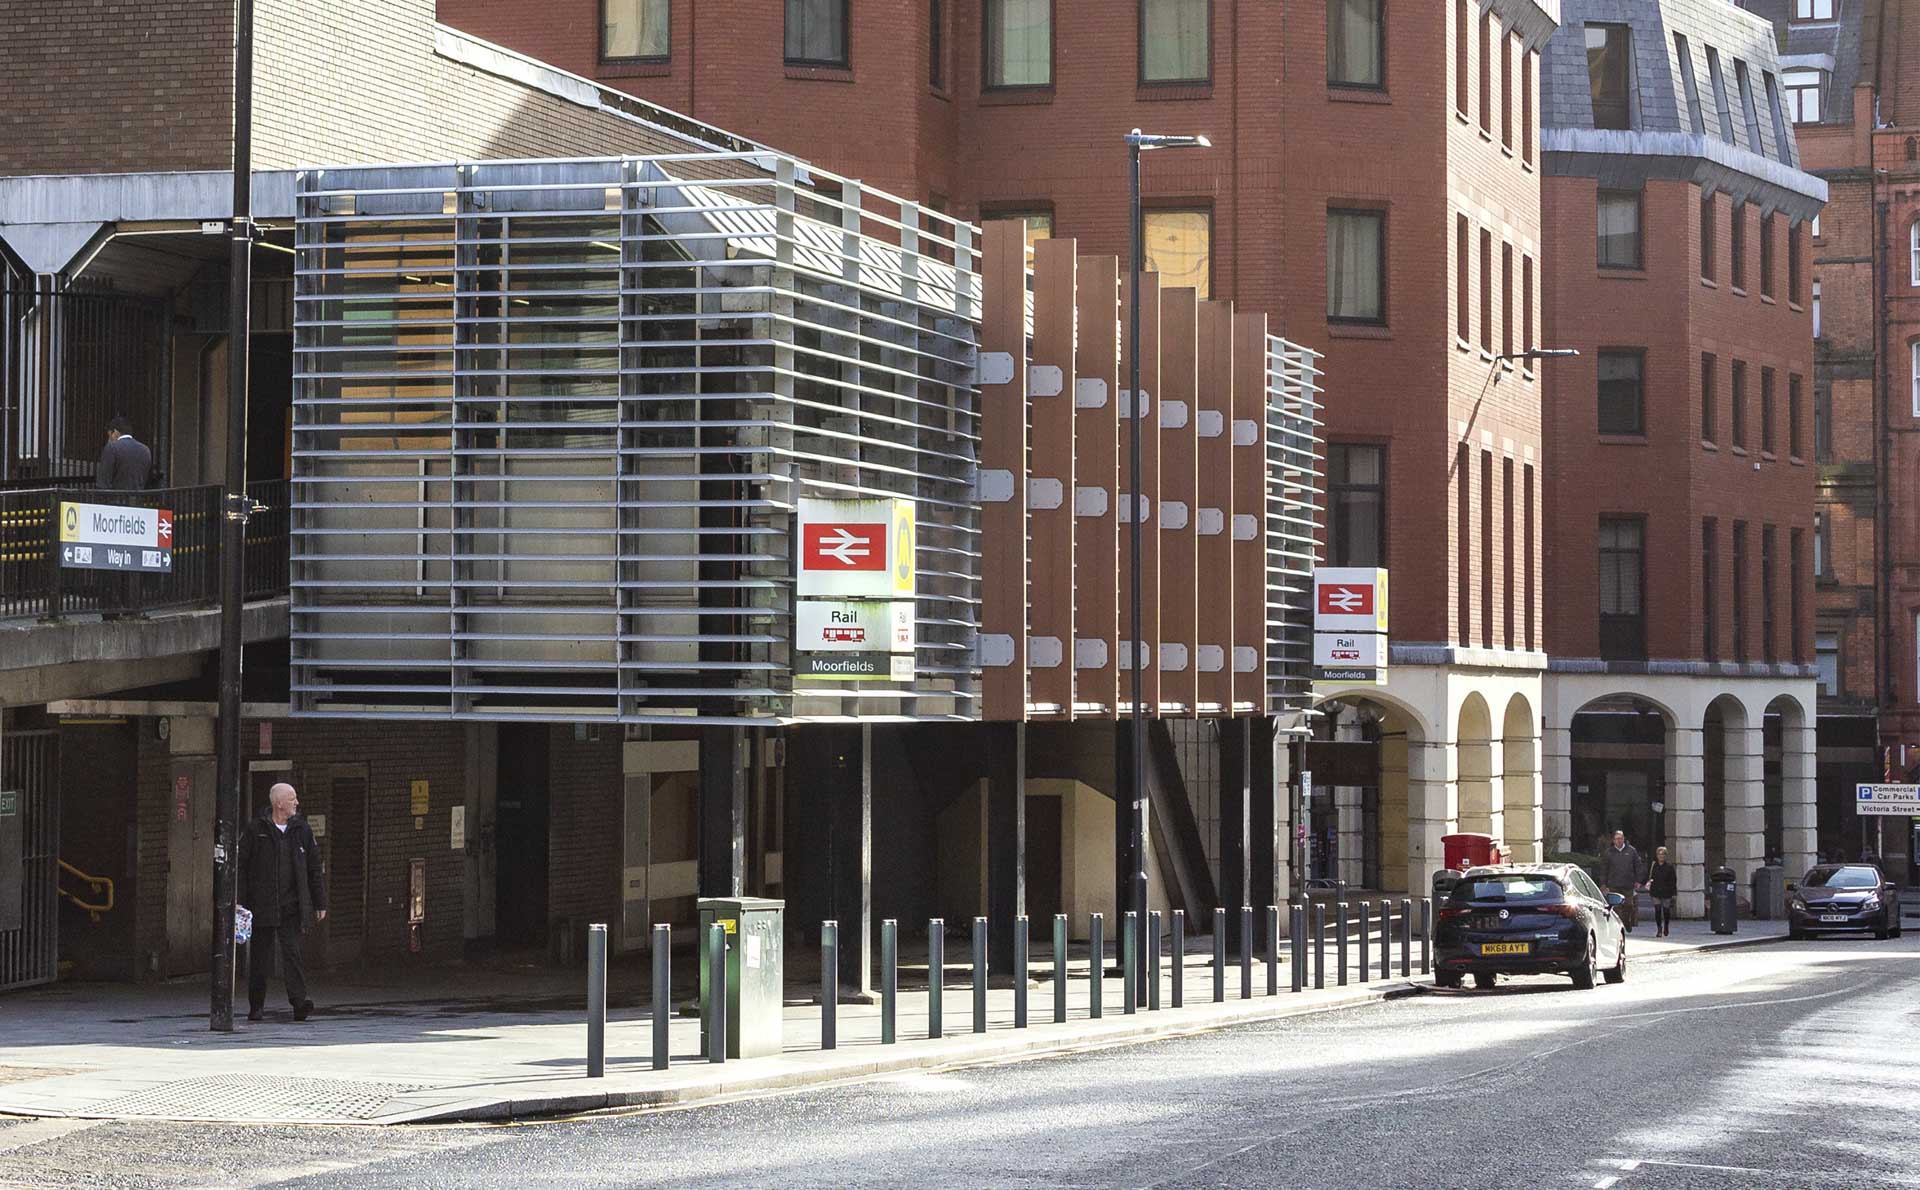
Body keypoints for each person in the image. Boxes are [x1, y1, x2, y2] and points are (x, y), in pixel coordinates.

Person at [237, 783, 326, 1022]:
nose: (296, 803)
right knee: (260, 959)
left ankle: (299, 1002)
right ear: (279, 803)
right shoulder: (257, 830)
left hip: (291, 905)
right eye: (292, 799)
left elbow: (314, 869)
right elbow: (242, 868)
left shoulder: (302, 831)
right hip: (262, 904)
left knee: (293, 954)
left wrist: (319, 902)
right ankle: (256, 1006)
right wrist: (240, 902)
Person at [1598, 829, 1644, 932]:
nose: (1619, 841)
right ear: (1613, 840)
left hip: (1628, 884)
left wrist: (1638, 880)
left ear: (1624, 839)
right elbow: (1604, 869)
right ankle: (1619, 927)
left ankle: (1626, 921)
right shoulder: (1609, 852)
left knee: (1629, 905)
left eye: (1621, 838)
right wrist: (1603, 883)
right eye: (1617, 839)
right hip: (1613, 884)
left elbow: (1638, 866)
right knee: (1616, 907)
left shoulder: (1631, 851)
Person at [95, 415, 152, 491]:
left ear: (115, 432)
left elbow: (103, 481)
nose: (109, 439)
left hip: (114, 499)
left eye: (109, 435)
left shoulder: (112, 447)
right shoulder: (145, 449)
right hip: (137, 499)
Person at [1646, 845, 1678, 937]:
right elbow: (1649, 876)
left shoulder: (1669, 866)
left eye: (1663, 854)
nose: (1661, 856)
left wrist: (1673, 892)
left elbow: (1673, 880)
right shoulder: (1653, 865)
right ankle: (1659, 928)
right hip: (1655, 890)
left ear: (1665, 855)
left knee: (1666, 910)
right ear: (1657, 855)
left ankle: (1666, 926)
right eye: (1659, 854)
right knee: (1657, 910)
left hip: (1666, 891)